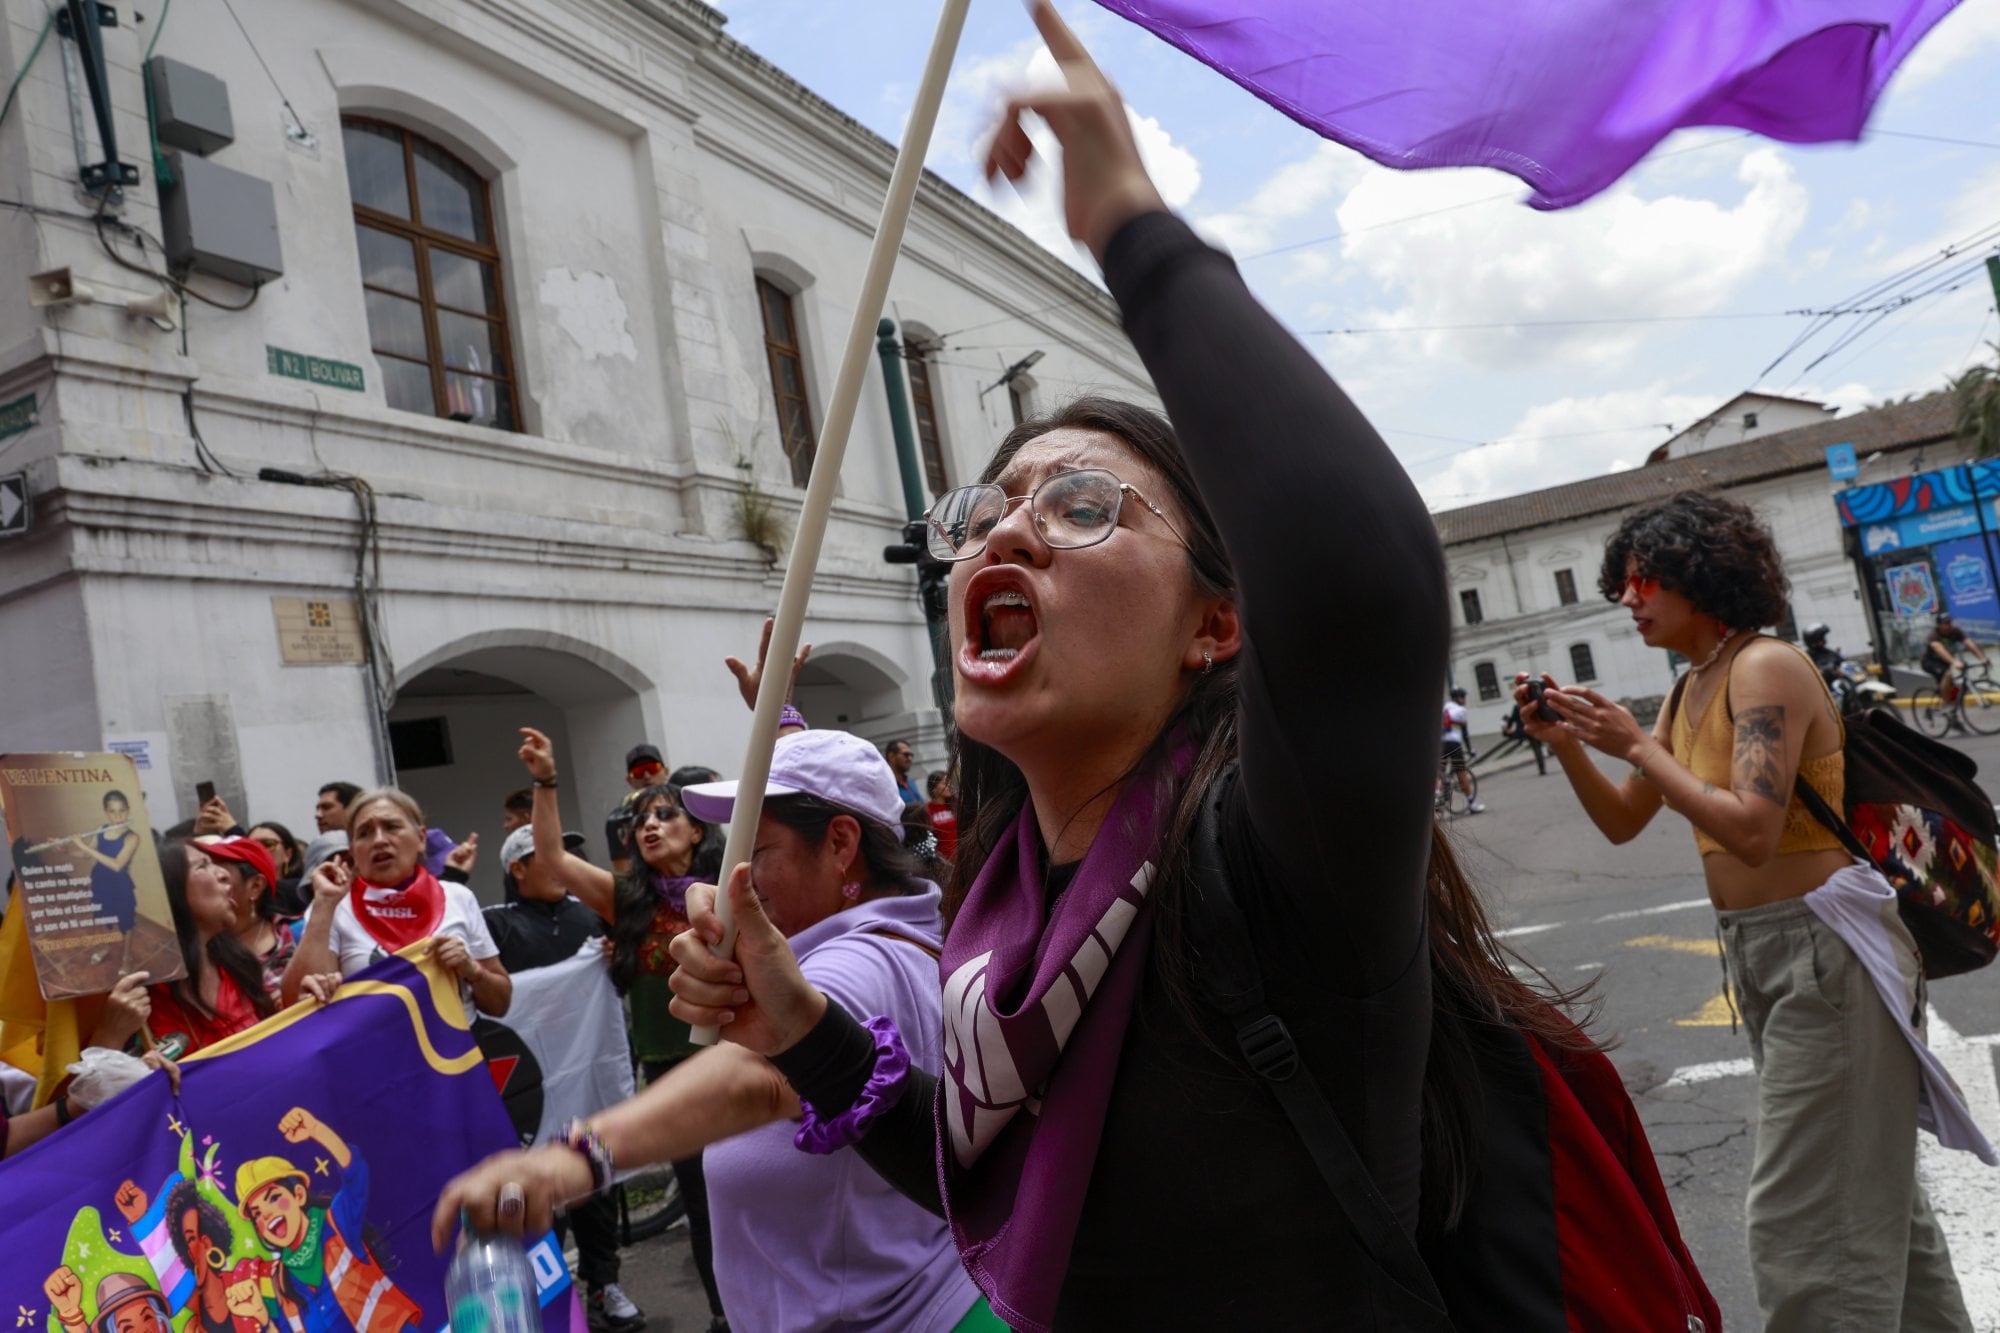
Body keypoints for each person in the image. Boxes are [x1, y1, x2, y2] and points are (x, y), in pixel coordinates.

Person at [606, 11, 1636, 1326]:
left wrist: (1134, 233)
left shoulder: (1264, 861)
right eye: (989, 510)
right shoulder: (1009, 903)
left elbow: (1363, 578)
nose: (1012, 525)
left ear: (1217, 625)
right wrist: (801, 1022)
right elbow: (978, 1181)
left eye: (1085, 504)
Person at [1519, 490, 1973, 1329]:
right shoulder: (1687, 687)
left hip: (1824, 952)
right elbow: (1624, 821)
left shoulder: (1764, 667)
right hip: (1761, 952)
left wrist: (1638, 747)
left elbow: (1754, 831)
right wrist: (1569, 747)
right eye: (1624, 580)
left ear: (1703, 577)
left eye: (1646, 578)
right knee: (1875, 1210)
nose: (1629, 597)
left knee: (1805, 1228)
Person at [436, 730, 986, 1333]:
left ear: (839, 843)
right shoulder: (871, 937)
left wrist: (574, 1160)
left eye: (756, 849)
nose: (733, 879)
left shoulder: (858, 962)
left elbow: (764, 1075)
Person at [513, 727, 730, 1333]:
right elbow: (553, 859)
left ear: (698, 830)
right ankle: (723, 1316)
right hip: (671, 1075)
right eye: (641, 823)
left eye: (666, 815)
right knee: (705, 1206)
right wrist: (545, 780)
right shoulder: (628, 903)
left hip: (742, 1065)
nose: (651, 826)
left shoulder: (730, 892)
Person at [480, 825, 641, 1333]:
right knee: (541, 1195)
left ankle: (604, 1283)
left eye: (566, 855)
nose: (559, 864)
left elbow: (624, 978)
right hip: (527, 1090)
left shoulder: (588, 917)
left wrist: (617, 960)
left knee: (594, 1181)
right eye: (541, 856)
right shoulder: (494, 927)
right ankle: (551, 1300)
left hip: (586, 1079)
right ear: (516, 870)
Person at [279, 789, 510, 1015]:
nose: (379, 840)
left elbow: (500, 1004)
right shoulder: (333, 907)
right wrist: (324, 905)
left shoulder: (458, 897)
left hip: (459, 1050)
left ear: (421, 838)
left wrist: (471, 970)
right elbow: (294, 1004)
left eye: (392, 827)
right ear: (353, 852)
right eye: (365, 833)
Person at [195, 836, 296, 1001]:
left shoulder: (298, 935)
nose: (212, 876)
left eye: (220, 869)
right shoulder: (200, 945)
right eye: (205, 867)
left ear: (255, 886)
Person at [70, 790, 140, 934]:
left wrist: (83, 846)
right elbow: (85, 854)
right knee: (104, 916)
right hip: (100, 881)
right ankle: (108, 947)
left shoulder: (132, 838)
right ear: (106, 812)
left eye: (122, 810)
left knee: (126, 920)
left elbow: (117, 865)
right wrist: (66, 850)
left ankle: (126, 955)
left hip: (120, 884)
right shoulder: (101, 830)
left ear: (128, 810)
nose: (118, 816)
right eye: (112, 811)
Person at [1922, 610, 1988, 707]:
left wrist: (1982, 658)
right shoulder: (1934, 635)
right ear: (1939, 625)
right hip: (1930, 662)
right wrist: (1954, 662)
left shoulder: (1955, 631)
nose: (1949, 625)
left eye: (1950, 622)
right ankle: (1946, 704)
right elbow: (1939, 649)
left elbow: (1969, 643)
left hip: (1945, 662)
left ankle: (1952, 715)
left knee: (1953, 690)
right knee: (1948, 674)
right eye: (1945, 623)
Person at [1441, 687, 1486, 812]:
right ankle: (1472, 804)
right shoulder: (1461, 710)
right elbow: (1465, 734)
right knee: (1461, 773)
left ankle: (1437, 797)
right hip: (1454, 744)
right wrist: (1470, 749)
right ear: (1459, 698)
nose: (1465, 700)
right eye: (1464, 697)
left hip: (1441, 743)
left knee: (1440, 772)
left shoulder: (1445, 707)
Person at [247, 821, 306, 917]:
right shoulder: (238, 893)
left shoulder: (302, 892)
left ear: (287, 854)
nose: (259, 850)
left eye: (268, 844)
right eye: (251, 846)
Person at [1499, 677, 1548, 776]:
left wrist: (1508, 727)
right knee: (1538, 746)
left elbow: (1513, 718)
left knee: (1536, 747)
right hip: (1537, 726)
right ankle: (1542, 767)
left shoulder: (1517, 706)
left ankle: (1541, 768)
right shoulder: (1535, 702)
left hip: (1528, 729)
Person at [924, 771, 957, 858]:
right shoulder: (926, 810)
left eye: (949, 782)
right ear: (934, 788)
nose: (949, 785)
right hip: (941, 860)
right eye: (944, 783)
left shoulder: (955, 805)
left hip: (960, 856)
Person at [882, 739, 924, 806]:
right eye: (906, 754)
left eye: (911, 755)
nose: (910, 758)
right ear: (891, 756)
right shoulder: (883, 784)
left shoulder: (910, 782)